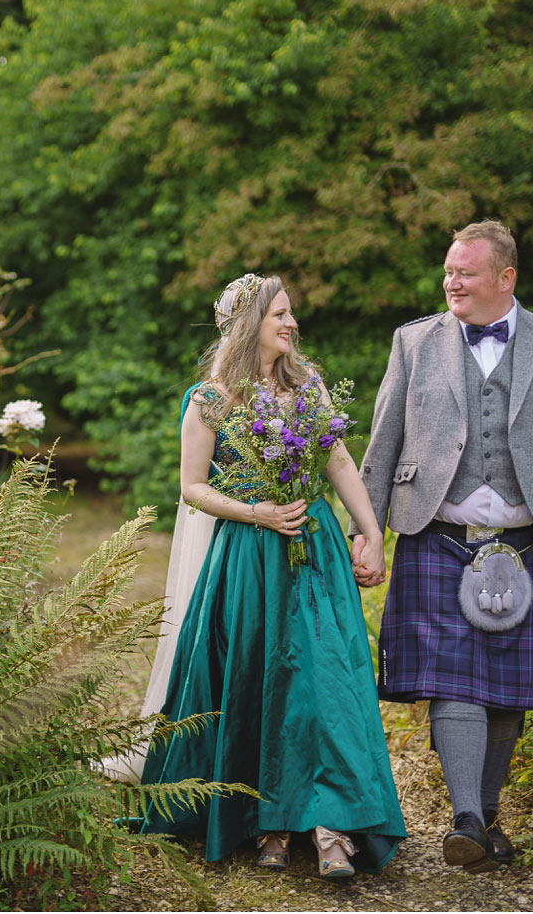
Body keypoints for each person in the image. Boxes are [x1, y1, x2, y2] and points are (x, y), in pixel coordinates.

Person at [108, 273, 406, 878]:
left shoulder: (308, 385)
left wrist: (370, 529)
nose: (291, 324)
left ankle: (332, 824)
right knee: (260, 678)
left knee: (327, 679)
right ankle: (267, 819)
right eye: (279, 315)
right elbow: (191, 487)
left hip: (313, 550)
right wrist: (256, 512)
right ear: (250, 326)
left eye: (291, 313)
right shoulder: (210, 398)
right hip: (248, 553)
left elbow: (338, 457)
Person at [352, 219, 533, 872]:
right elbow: (381, 446)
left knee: (508, 690)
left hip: (526, 540)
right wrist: (367, 527)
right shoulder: (414, 342)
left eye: (465, 271)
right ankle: (465, 816)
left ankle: (486, 813)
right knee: (452, 676)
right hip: (437, 534)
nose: (452, 281)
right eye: (448, 270)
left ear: (505, 277)